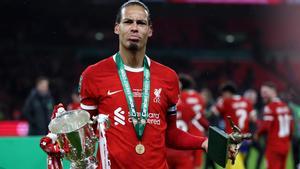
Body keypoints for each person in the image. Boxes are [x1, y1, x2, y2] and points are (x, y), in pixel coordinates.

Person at [40, 1, 240, 169]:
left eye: (141, 23)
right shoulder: (93, 75)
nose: (134, 27)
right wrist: (61, 135)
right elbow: (85, 135)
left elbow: (170, 133)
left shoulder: (168, 77)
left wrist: (204, 142)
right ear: (117, 27)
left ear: (150, 30)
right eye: (128, 22)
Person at [166, 74, 209, 169]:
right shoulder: (199, 97)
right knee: (196, 164)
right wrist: (208, 128)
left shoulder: (180, 98)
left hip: (175, 141)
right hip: (196, 133)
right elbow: (200, 117)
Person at [211, 82, 254, 169]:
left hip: (232, 138)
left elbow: (213, 111)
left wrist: (219, 102)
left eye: (223, 94)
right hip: (244, 138)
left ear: (227, 93)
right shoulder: (246, 101)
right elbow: (253, 118)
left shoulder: (226, 101)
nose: (223, 96)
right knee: (234, 163)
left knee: (234, 164)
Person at [254, 82, 294, 169]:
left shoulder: (270, 107)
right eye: (262, 93)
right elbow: (291, 127)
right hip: (285, 146)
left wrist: (257, 133)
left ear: (273, 91)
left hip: (274, 146)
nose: (262, 95)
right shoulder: (285, 107)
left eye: (265, 92)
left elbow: (265, 126)